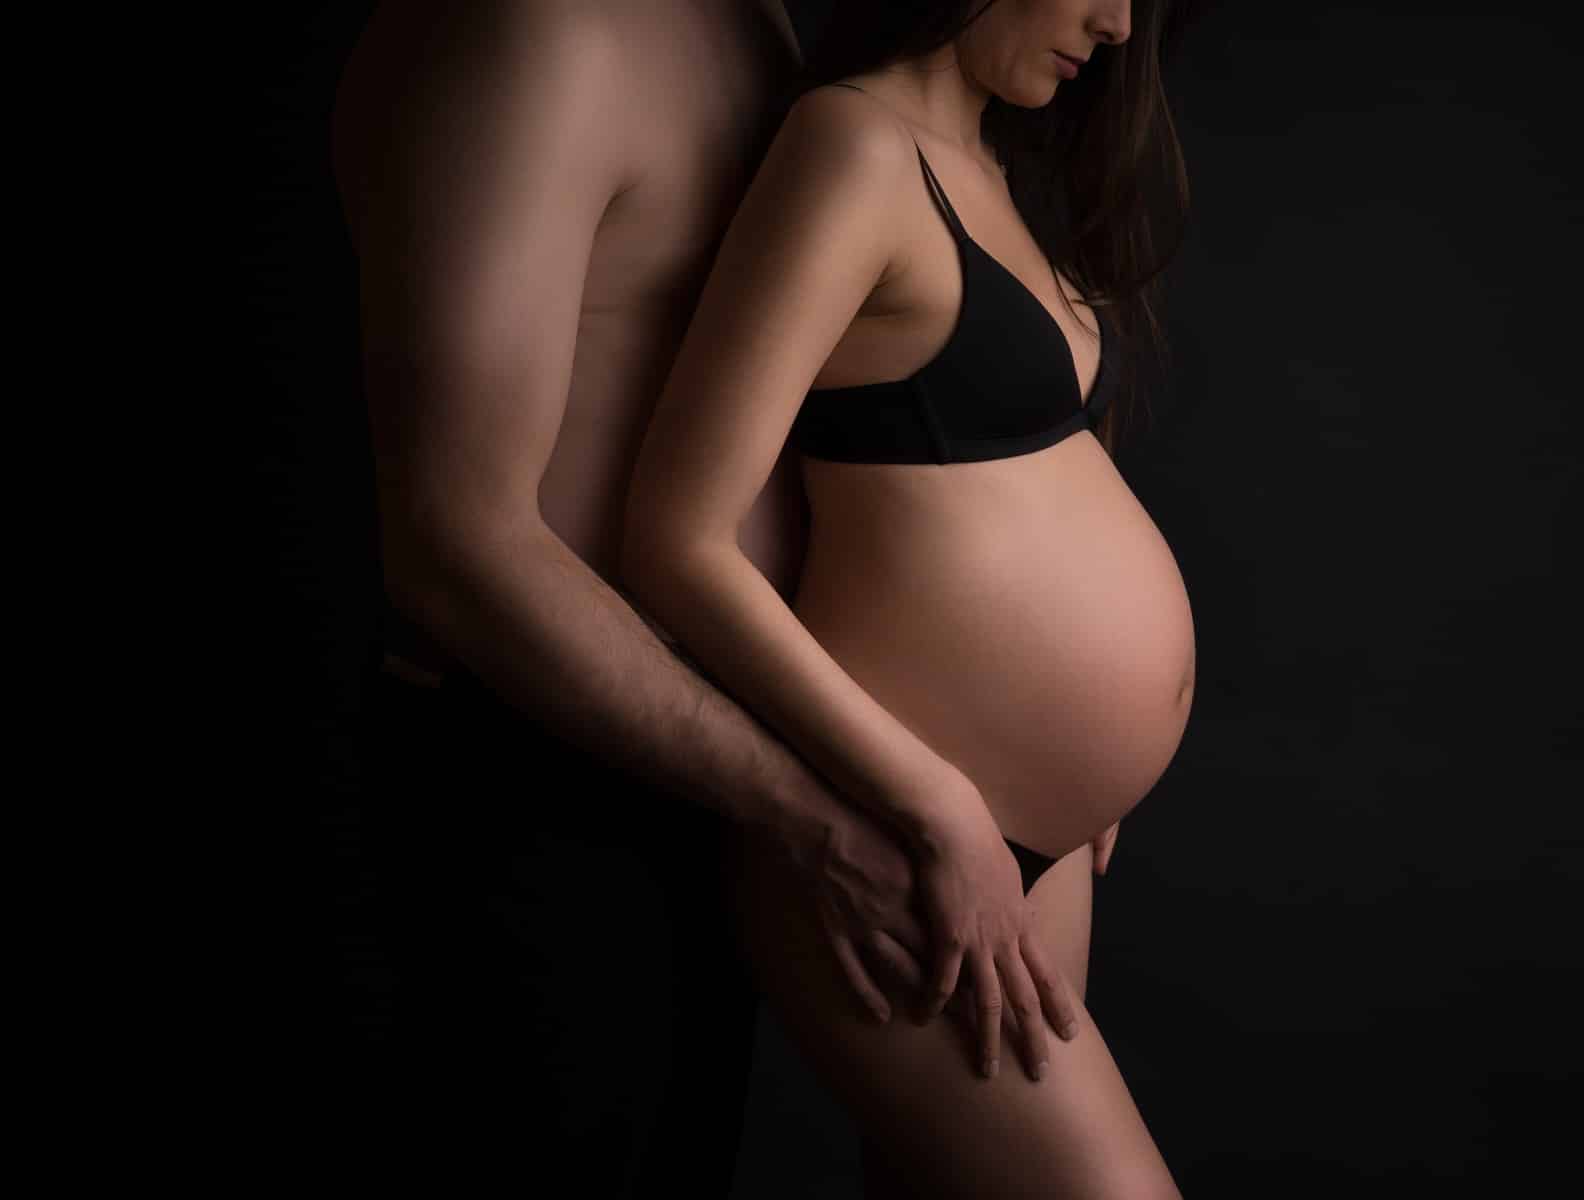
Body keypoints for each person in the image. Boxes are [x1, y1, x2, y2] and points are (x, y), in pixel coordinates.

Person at [324, 1, 1079, 1194]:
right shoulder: (536, 33)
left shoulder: (756, 22)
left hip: (726, 760)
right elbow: (454, 539)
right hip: (546, 769)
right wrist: (817, 817)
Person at [621, 0, 1196, 1195]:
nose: (1118, 21)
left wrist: (1088, 754)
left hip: (1028, 836)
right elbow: (676, 538)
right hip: (909, 828)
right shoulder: (855, 148)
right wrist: (936, 801)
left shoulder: (989, 160)